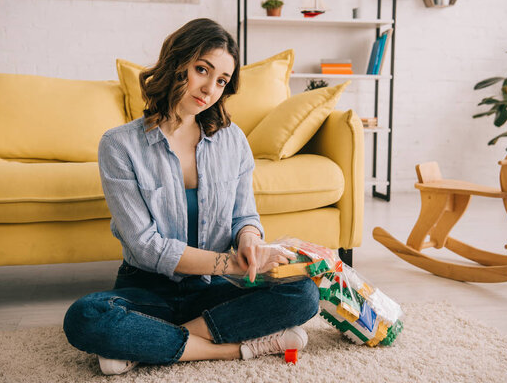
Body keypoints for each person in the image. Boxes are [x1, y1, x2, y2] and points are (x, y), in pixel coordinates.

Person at [63, 18, 320, 375]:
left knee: (303, 294)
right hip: (148, 290)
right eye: (202, 69)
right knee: (86, 317)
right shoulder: (119, 145)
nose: (209, 88)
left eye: (221, 81)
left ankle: (149, 344)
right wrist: (231, 264)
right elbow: (145, 246)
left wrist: (251, 242)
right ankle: (236, 349)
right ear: (176, 61)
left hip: (214, 289)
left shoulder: (233, 141)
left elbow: (244, 216)